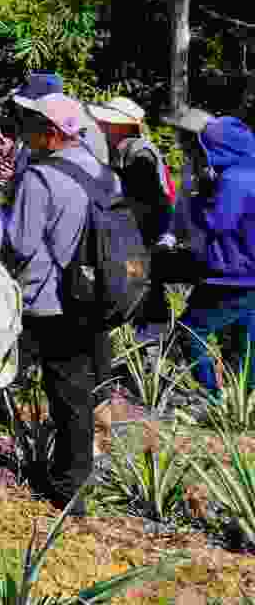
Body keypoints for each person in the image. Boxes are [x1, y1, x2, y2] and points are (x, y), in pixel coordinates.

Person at [0, 93, 121, 516]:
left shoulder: (41, 178)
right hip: (93, 295)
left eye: (30, 122)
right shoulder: (102, 173)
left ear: (51, 133)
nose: (24, 129)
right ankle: (73, 480)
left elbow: (21, 243)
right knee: (74, 391)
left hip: (46, 299)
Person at [171, 113, 255, 397]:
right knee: (246, 342)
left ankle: (210, 396)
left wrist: (193, 199)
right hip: (246, 273)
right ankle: (245, 403)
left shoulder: (234, 178)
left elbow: (217, 222)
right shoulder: (249, 171)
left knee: (189, 330)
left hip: (232, 275)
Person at [89, 96, 176, 348]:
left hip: (141, 236)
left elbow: (145, 198)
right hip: (138, 234)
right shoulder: (127, 148)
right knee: (140, 282)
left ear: (118, 125)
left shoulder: (138, 151)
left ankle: (150, 339)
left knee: (141, 283)